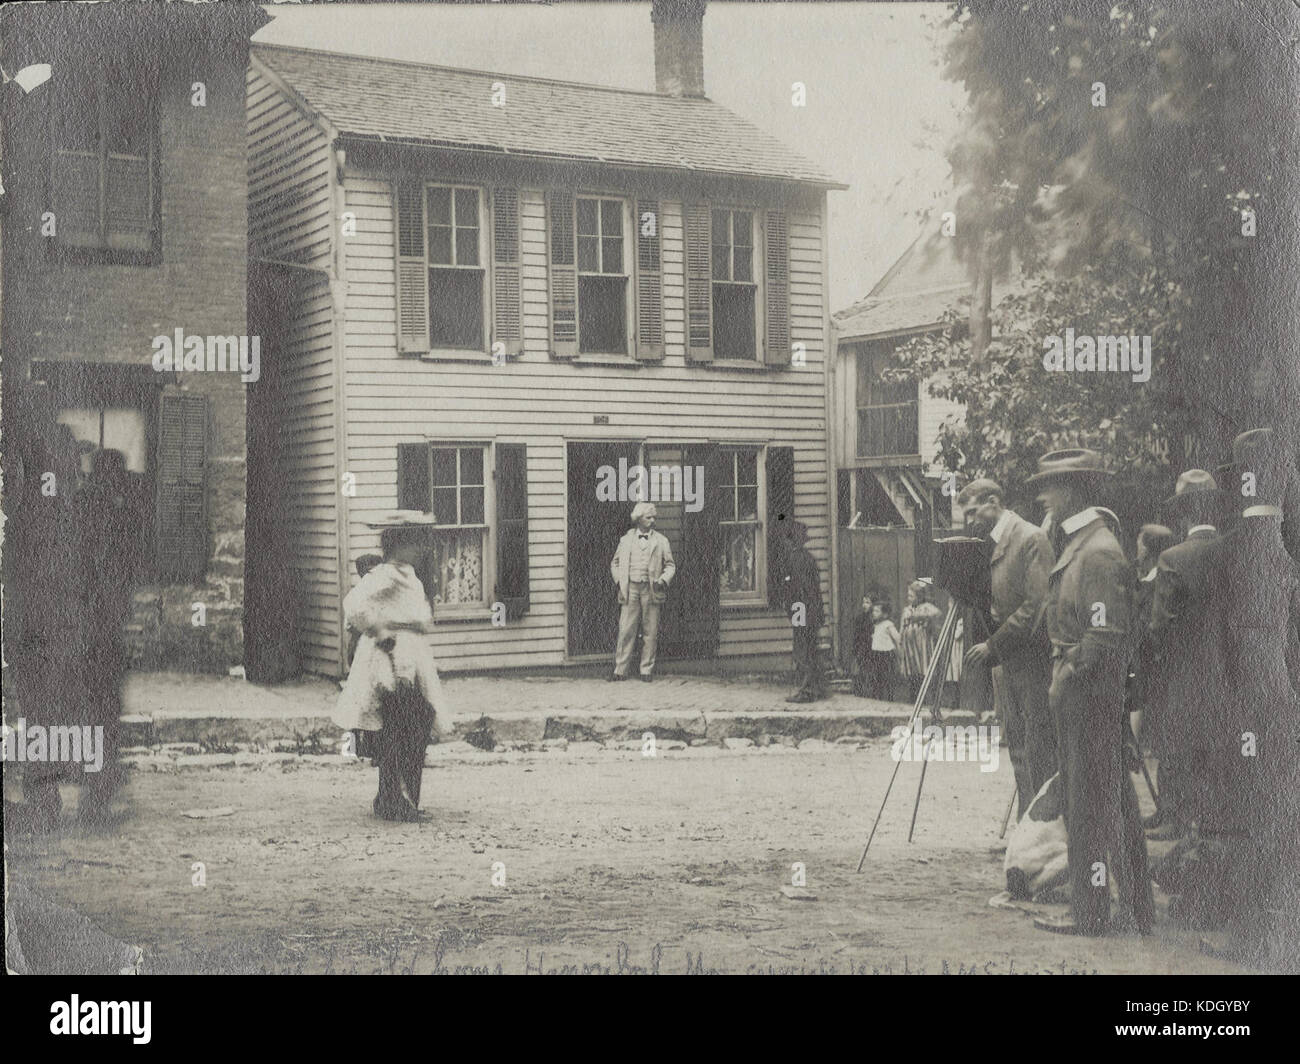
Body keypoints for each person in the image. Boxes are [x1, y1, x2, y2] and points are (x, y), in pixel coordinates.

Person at [1028, 449, 1153, 936]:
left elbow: (1104, 634)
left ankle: (1095, 914)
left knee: (1090, 809)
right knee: (1109, 804)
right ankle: (1133, 910)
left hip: (1089, 697)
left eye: (1052, 487)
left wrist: (1068, 674)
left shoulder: (1097, 551)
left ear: (1076, 492)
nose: (1043, 495)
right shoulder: (1082, 544)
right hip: (1087, 697)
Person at [1198, 429, 1300, 971]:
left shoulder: (1245, 547)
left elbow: (1255, 650)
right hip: (1277, 708)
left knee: (1259, 819)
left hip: (1258, 711)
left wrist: (1246, 727)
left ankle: (1257, 938)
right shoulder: (1278, 547)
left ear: (1245, 479)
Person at [334, 512, 447, 822]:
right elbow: (354, 605)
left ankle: (395, 797)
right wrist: (379, 631)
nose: (421, 549)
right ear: (399, 545)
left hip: (411, 659)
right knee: (400, 725)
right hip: (390, 660)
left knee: (409, 724)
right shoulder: (387, 574)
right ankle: (392, 799)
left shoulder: (407, 574)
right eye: (414, 544)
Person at [957, 478, 1057, 821]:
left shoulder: (1030, 538)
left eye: (973, 512)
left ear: (993, 501)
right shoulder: (992, 541)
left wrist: (993, 645)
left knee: (1039, 749)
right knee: (1017, 748)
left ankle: (1043, 833)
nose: (970, 521)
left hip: (1033, 661)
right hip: (1011, 662)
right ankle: (1026, 831)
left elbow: (1038, 605)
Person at [1146, 470, 1222, 844]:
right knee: (1214, 749)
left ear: (1184, 514)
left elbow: (1161, 626)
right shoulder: (1234, 551)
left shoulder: (1173, 558)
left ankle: (1174, 815)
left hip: (1182, 670)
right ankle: (1205, 819)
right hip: (1228, 670)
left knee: (1176, 741)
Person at [609, 502, 676, 683]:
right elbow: (614, 563)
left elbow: (670, 565)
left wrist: (663, 579)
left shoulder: (661, 541)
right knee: (626, 629)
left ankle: (646, 669)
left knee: (650, 630)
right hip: (630, 588)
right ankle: (620, 669)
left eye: (654, 517)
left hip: (651, 589)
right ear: (638, 519)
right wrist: (619, 581)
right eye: (648, 517)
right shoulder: (626, 539)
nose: (652, 520)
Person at [780, 521, 827, 703]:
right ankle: (816, 688)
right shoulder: (808, 558)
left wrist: (795, 614)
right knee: (811, 649)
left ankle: (806, 691)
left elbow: (801, 589)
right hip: (812, 610)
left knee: (803, 650)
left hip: (802, 609)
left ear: (792, 541)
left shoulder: (796, 559)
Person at [899, 580, 943, 702]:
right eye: (908, 596)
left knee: (924, 667)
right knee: (913, 670)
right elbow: (902, 626)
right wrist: (901, 640)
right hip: (910, 646)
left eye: (911, 596)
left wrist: (921, 617)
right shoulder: (907, 610)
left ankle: (931, 697)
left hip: (922, 644)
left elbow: (938, 614)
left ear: (919, 596)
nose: (909, 598)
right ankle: (914, 695)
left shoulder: (926, 607)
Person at [865, 598, 901, 701]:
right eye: (873, 611)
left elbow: (897, 637)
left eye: (877, 611)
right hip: (876, 653)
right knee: (877, 675)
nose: (874, 613)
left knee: (887, 676)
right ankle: (878, 695)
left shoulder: (888, 624)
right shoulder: (875, 625)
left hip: (886, 653)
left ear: (884, 614)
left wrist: (898, 647)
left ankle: (890, 696)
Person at [851, 592, 875, 697]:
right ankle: (859, 691)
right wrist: (856, 648)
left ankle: (872, 691)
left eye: (868, 602)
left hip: (873, 647)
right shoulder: (860, 619)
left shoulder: (876, 618)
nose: (864, 605)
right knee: (860, 669)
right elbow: (856, 635)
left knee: (872, 670)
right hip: (862, 647)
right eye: (863, 602)